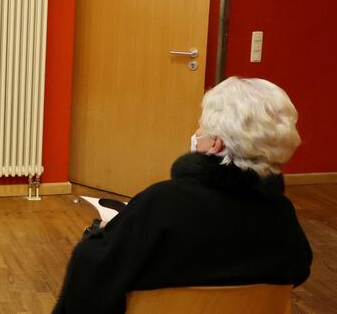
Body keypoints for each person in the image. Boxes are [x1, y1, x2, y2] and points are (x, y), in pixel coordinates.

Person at [53, 77, 312, 314]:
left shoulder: (163, 203)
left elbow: (93, 275)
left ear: (215, 144)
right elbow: (298, 271)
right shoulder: (280, 212)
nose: (197, 133)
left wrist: (103, 233)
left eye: (202, 126)